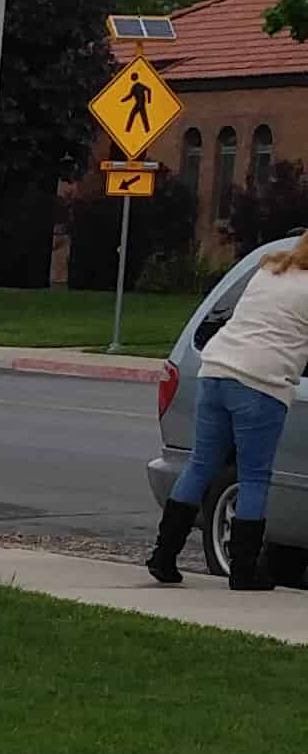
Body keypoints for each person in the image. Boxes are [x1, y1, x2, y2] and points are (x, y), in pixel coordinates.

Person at [149, 229, 308, 588]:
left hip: (215, 371)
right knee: (254, 476)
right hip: (260, 383)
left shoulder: (269, 270)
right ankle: (244, 570)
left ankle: (163, 556)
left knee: (200, 465)